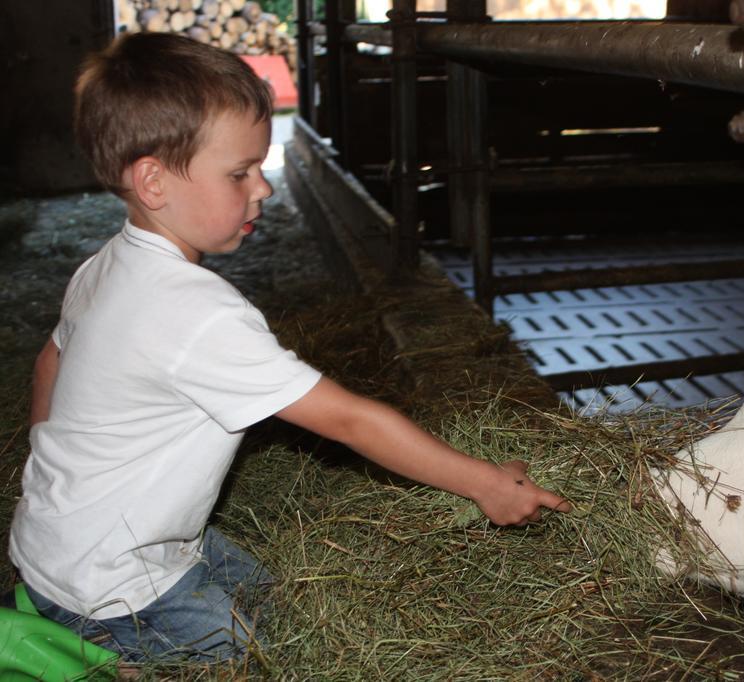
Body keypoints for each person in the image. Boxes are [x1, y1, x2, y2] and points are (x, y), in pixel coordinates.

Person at [8, 31, 569, 665]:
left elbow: (48, 363)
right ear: (154, 181)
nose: (263, 190)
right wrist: (485, 483)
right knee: (272, 657)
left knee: (277, 596)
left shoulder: (104, 266)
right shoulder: (195, 311)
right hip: (114, 590)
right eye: (239, 173)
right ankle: (109, 653)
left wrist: (54, 469)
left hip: (55, 540)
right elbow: (350, 419)